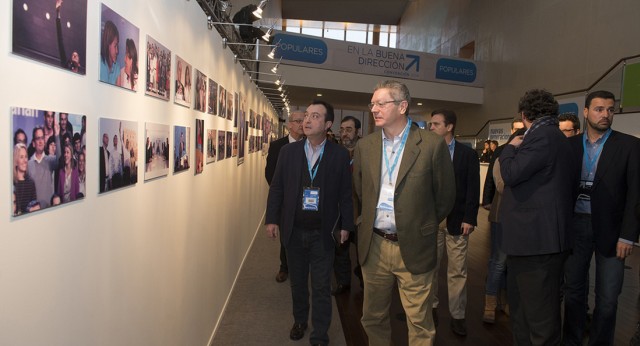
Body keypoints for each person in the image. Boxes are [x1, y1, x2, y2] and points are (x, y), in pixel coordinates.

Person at [353, 80, 455, 345]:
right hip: (374, 244)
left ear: (402, 106)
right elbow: (360, 191)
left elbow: (445, 196)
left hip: (415, 244)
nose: (373, 108)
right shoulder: (366, 146)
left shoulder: (431, 145)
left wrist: (422, 223)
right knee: (372, 317)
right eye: (372, 103)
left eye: (380, 103)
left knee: (420, 322)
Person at [265, 100, 353, 345]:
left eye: (315, 116)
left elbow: (346, 193)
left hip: (323, 233)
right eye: (306, 116)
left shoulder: (338, 155)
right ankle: (300, 320)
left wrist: (346, 225)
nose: (307, 120)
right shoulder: (288, 152)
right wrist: (271, 219)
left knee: (322, 286)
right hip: (294, 230)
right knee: (298, 283)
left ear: (327, 124)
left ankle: (320, 334)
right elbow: (277, 188)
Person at [563, 90, 640, 345]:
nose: (605, 114)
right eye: (598, 109)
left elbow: (635, 195)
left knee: (608, 299)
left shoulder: (629, 146)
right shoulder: (569, 146)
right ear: (585, 112)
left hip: (612, 230)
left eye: (610, 109)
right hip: (575, 226)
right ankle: (571, 341)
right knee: (573, 294)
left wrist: (628, 235)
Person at [499, 89, 576, 345]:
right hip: (534, 242)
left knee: (540, 322)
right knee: (523, 314)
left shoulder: (542, 137)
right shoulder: (556, 138)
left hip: (537, 244)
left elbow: (510, 174)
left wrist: (508, 148)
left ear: (524, 115)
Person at [428, 109, 480, 336]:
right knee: (430, 267)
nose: (431, 128)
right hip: (432, 220)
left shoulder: (467, 155)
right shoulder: (427, 152)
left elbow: (472, 187)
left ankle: (457, 315)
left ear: (449, 127)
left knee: (457, 270)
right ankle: (431, 308)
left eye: (435, 124)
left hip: (458, 221)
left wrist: (470, 217)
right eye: (431, 124)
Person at [481, 117, 524, 323]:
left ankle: (505, 302)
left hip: (520, 219)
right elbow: (502, 186)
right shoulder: (502, 159)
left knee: (511, 264)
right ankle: (489, 303)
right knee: (498, 262)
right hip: (501, 216)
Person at [264, 110, 305, 283]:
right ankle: (284, 267)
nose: (302, 124)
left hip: (305, 201)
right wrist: (283, 194)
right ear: (290, 124)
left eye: (305, 120)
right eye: (298, 121)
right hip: (285, 201)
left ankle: (301, 267)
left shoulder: (311, 145)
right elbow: (270, 174)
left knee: (302, 234)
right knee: (286, 235)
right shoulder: (277, 146)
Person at [332, 115, 362, 294]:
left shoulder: (366, 153)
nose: (344, 133)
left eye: (349, 130)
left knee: (363, 252)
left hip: (360, 211)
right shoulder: (334, 153)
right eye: (342, 130)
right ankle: (343, 282)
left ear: (358, 132)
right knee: (340, 250)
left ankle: (365, 283)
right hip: (339, 211)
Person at [29, 126, 61, 208]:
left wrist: (57, 136)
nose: (40, 141)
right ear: (33, 143)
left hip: (49, 209)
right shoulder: (28, 165)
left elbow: (60, 160)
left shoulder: (49, 160)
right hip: (34, 212)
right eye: (37, 138)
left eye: (42, 138)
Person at [55, 0, 81, 73]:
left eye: (76, 56)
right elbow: (60, 40)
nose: (74, 56)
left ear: (79, 64)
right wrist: (58, 12)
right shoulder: (66, 66)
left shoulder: (82, 77)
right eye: (73, 55)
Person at [13, 143, 39, 215]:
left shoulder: (31, 183)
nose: (25, 160)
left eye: (26, 157)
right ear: (15, 161)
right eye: (21, 157)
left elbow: (34, 207)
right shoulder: (11, 183)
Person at [100, 20, 120, 84]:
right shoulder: (98, 63)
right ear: (108, 44)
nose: (117, 51)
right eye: (115, 46)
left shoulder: (117, 67)